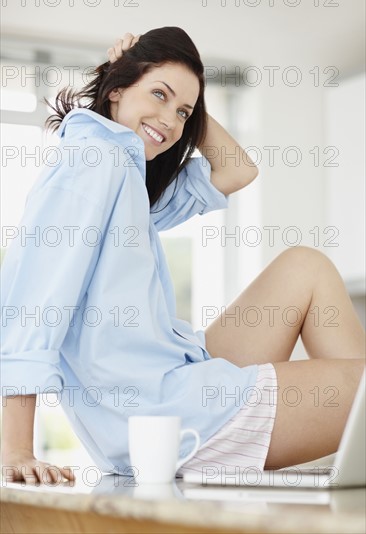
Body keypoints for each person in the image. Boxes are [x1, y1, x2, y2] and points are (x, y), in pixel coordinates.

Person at [1, 27, 364, 486]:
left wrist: (183, 104)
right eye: (158, 93)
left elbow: (238, 168)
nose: (170, 121)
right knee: (363, 388)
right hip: (163, 414)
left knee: (304, 266)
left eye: (183, 112)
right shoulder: (92, 162)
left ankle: (357, 450)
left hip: (171, 384)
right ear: (116, 89)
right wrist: (16, 448)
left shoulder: (127, 174)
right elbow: (33, 303)